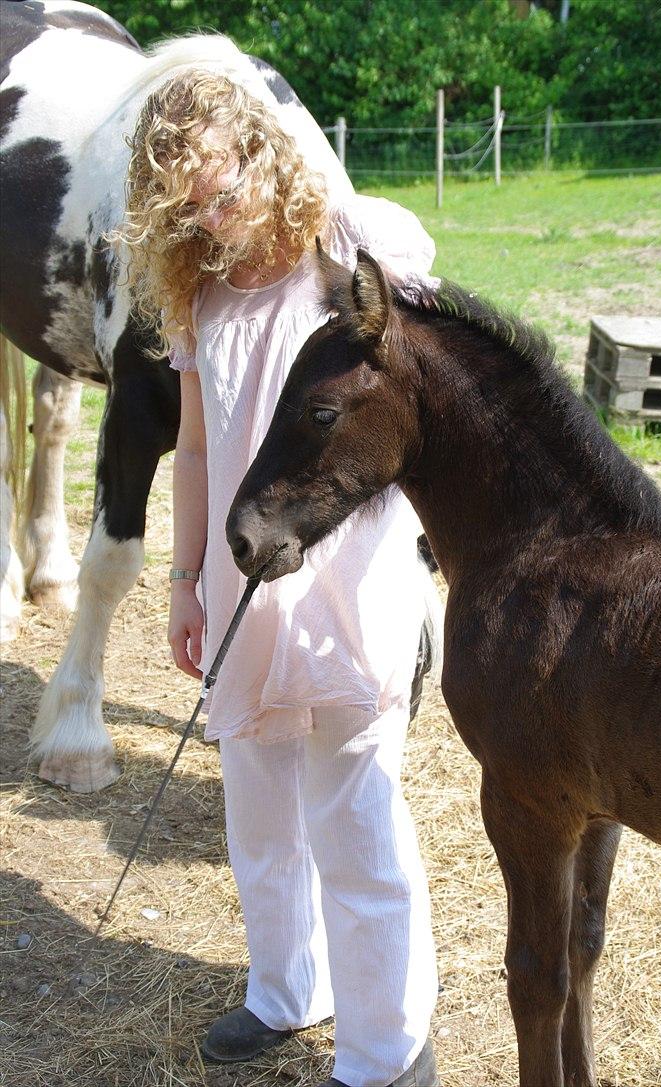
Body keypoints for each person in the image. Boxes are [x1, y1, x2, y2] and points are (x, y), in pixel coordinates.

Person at [117, 68, 441, 1087]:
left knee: (353, 811)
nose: (216, 221)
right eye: (191, 209)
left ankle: (386, 1051)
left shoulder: (338, 253)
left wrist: (330, 210)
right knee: (257, 805)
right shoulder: (199, 294)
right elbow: (203, 446)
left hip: (342, 567)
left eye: (227, 190)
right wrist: (183, 580)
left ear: (264, 153)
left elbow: (419, 286)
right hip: (242, 568)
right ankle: (285, 989)